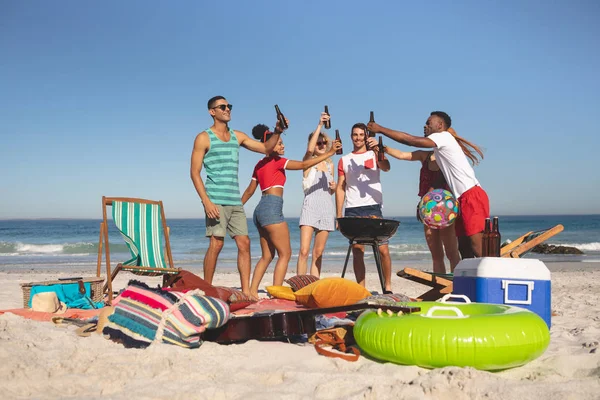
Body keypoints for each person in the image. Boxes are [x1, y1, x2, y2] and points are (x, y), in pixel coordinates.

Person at [190, 96, 286, 300]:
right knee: (216, 244)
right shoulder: (203, 138)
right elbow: (194, 173)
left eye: (229, 106)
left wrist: (277, 131)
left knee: (245, 243)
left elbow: (266, 148)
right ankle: (207, 290)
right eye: (222, 107)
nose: (227, 109)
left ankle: (246, 292)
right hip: (215, 199)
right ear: (212, 112)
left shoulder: (237, 136)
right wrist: (206, 202)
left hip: (235, 200)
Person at [368, 111, 487, 258]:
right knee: (464, 248)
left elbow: (411, 140)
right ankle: (467, 280)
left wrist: (380, 129)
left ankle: (491, 276)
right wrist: (425, 200)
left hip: (471, 195)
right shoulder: (440, 151)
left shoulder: (443, 137)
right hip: (461, 199)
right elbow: (440, 179)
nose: (425, 126)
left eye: (429, 123)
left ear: (440, 125)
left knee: (476, 245)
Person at [241, 124, 341, 299]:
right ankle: (276, 294)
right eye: (279, 143)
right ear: (271, 145)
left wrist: (237, 207)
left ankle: (251, 291)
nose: (283, 146)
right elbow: (303, 163)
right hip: (272, 207)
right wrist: (330, 153)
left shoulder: (259, 165)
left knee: (267, 255)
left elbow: (250, 191)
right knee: (285, 254)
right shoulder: (278, 161)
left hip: (259, 210)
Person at [372, 137, 461, 273]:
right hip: (428, 211)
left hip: (446, 211)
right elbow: (403, 155)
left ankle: (458, 287)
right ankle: (439, 287)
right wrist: (384, 148)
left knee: (452, 253)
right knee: (436, 256)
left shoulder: (449, 158)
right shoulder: (424, 155)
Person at [335, 123, 392, 292]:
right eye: (355, 135)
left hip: (373, 206)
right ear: (351, 137)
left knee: (383, 249)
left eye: (361, 135)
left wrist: (377, 150)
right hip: (352, 208)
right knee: (357, 250)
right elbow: (340, 187)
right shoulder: (344, 160)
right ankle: (362, 289)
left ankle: (387, 287)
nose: (358, 138)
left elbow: (386, 167)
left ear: (366, 136)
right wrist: (339, 215)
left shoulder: (373, 154)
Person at [296, 112, 337, 277]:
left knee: (318, 253)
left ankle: (313, 283)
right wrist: (319, 125)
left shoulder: (330, 165)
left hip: (326, 208)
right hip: (310, 207)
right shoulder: (307, 162)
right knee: (304, 251)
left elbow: (330, 192)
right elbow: (309, 149)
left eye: (323, 142)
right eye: (318, 142)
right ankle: (299, 285)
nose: (321, 145)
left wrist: (333, 188)